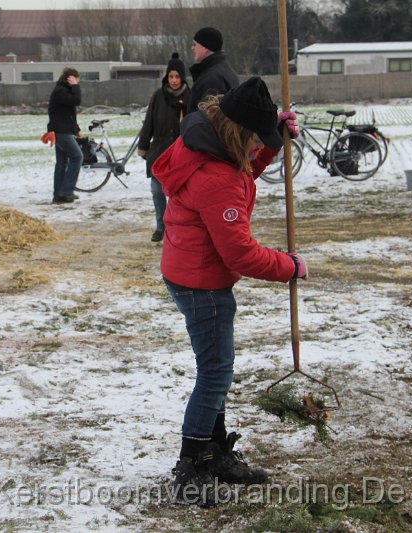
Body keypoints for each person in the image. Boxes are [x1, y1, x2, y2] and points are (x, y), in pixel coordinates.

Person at [152, 76, 303, 506]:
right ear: (238, 132)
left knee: (217, 368)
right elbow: (241, 254)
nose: (259, 146)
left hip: (188, 268)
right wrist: (290, 267)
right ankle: (192, 465)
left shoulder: (209, 141)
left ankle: (215, 451)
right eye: (257, 139)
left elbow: (242, 168)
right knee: (215, 372)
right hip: (202, 281)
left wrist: (273, 142)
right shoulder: (216, 176)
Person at [137, 53, 191, 243]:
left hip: (180, 153)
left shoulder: (190, 96)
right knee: (157, 190)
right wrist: (143, 146)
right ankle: (161, 226)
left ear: (182, 77)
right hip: (159, 151)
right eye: (171, 76)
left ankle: (178, 227)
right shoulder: (158, 96)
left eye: (177, 76)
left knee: (179, 196)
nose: (174, 80)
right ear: (166, 77)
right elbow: (148, 123)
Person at [45, 68, 83, 204]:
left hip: (60, 130)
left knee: (62, 163)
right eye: (77, 79)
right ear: (71, 78)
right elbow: (77, 101)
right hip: (61, 131)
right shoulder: (61, 91)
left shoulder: (61, 91)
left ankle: (58, 196)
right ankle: (67, 190)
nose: (78, 82)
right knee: (77, 157)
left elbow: (68, 114)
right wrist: (75, 86)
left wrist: (77, 130)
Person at [186, 27, 239, 113]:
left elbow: (208, 118)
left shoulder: (212, 79)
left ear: (205, 47)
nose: (192, 48)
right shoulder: (224, 70)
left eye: (195, 44)